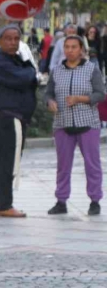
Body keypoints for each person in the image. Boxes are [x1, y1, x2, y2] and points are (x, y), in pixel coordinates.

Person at [45, 33, 104, 216]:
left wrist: (81, 99)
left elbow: (100, 94)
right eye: (67, 47)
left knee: (92, 164)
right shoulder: (56, 71)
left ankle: (95, 200)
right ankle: (61, 201)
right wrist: (50, 102)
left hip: (88, 123)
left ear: (81, 50)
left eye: (74, 47)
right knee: (63, 165)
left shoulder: (91, 69)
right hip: (62, 124)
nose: (70, 50)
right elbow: (47, 94)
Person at [0, 25, 38, 218]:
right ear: (0, 40)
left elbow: (29, 73)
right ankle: (3, 204)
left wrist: (30, 73)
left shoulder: (14, 59)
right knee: (6, 162)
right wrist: (30, 74)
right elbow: (25, 78)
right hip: (7, 119)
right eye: (8, 38)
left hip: (15, 118)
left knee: (10, 161)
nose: (12, 42)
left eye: (16, 38)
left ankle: (4, 202)